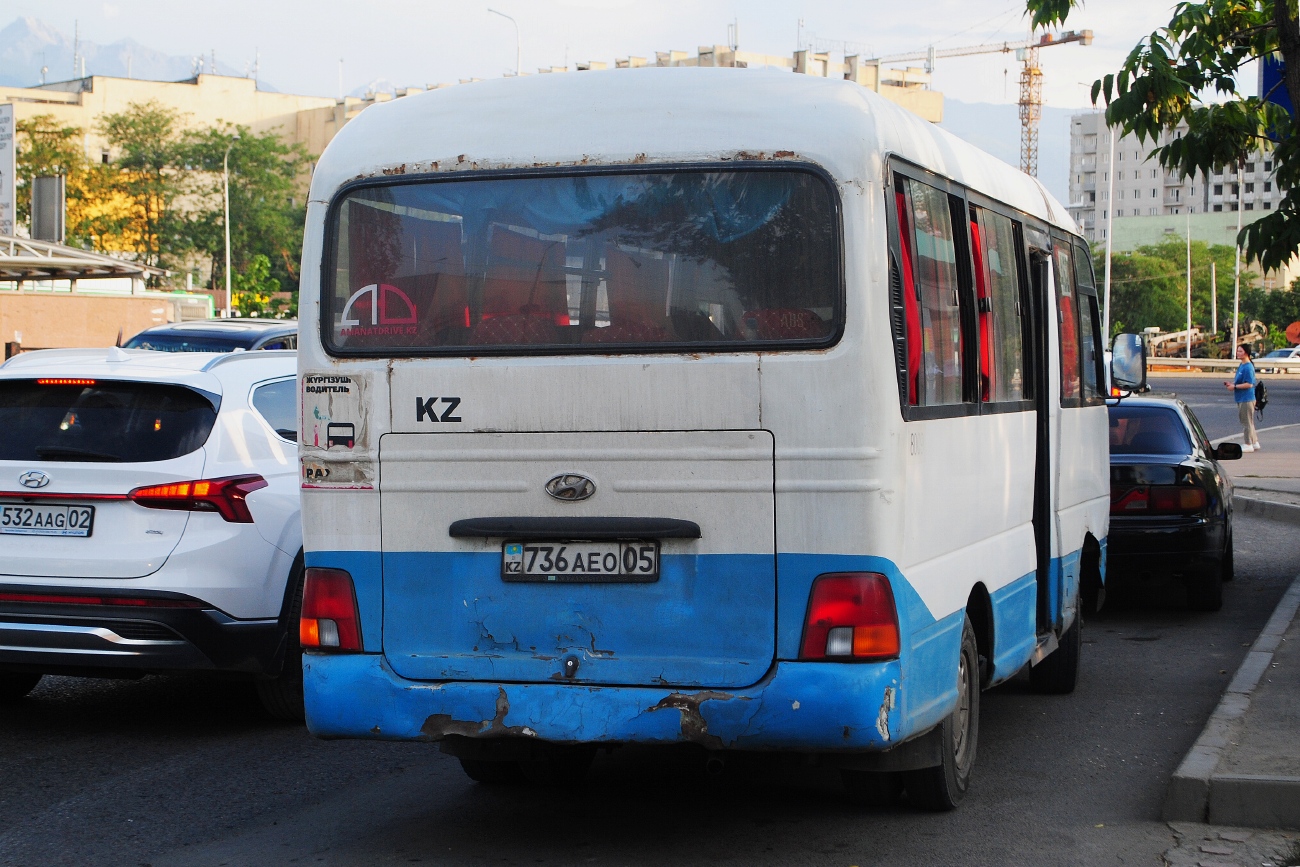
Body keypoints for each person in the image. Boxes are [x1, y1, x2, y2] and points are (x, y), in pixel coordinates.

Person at [1225, 344, 1261, 451]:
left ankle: (1248, 444)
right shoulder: (1242, 365)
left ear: (1245, 353)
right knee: (1249, 421)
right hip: (1241, 397)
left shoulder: (1248, 367)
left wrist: (1235, 386)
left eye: (1240, 351)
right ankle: (1254, 442)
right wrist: (1231, 384)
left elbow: (1249, 384)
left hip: (1247, 398)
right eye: (1237, 351)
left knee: (1246, 422)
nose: (1237, 353)